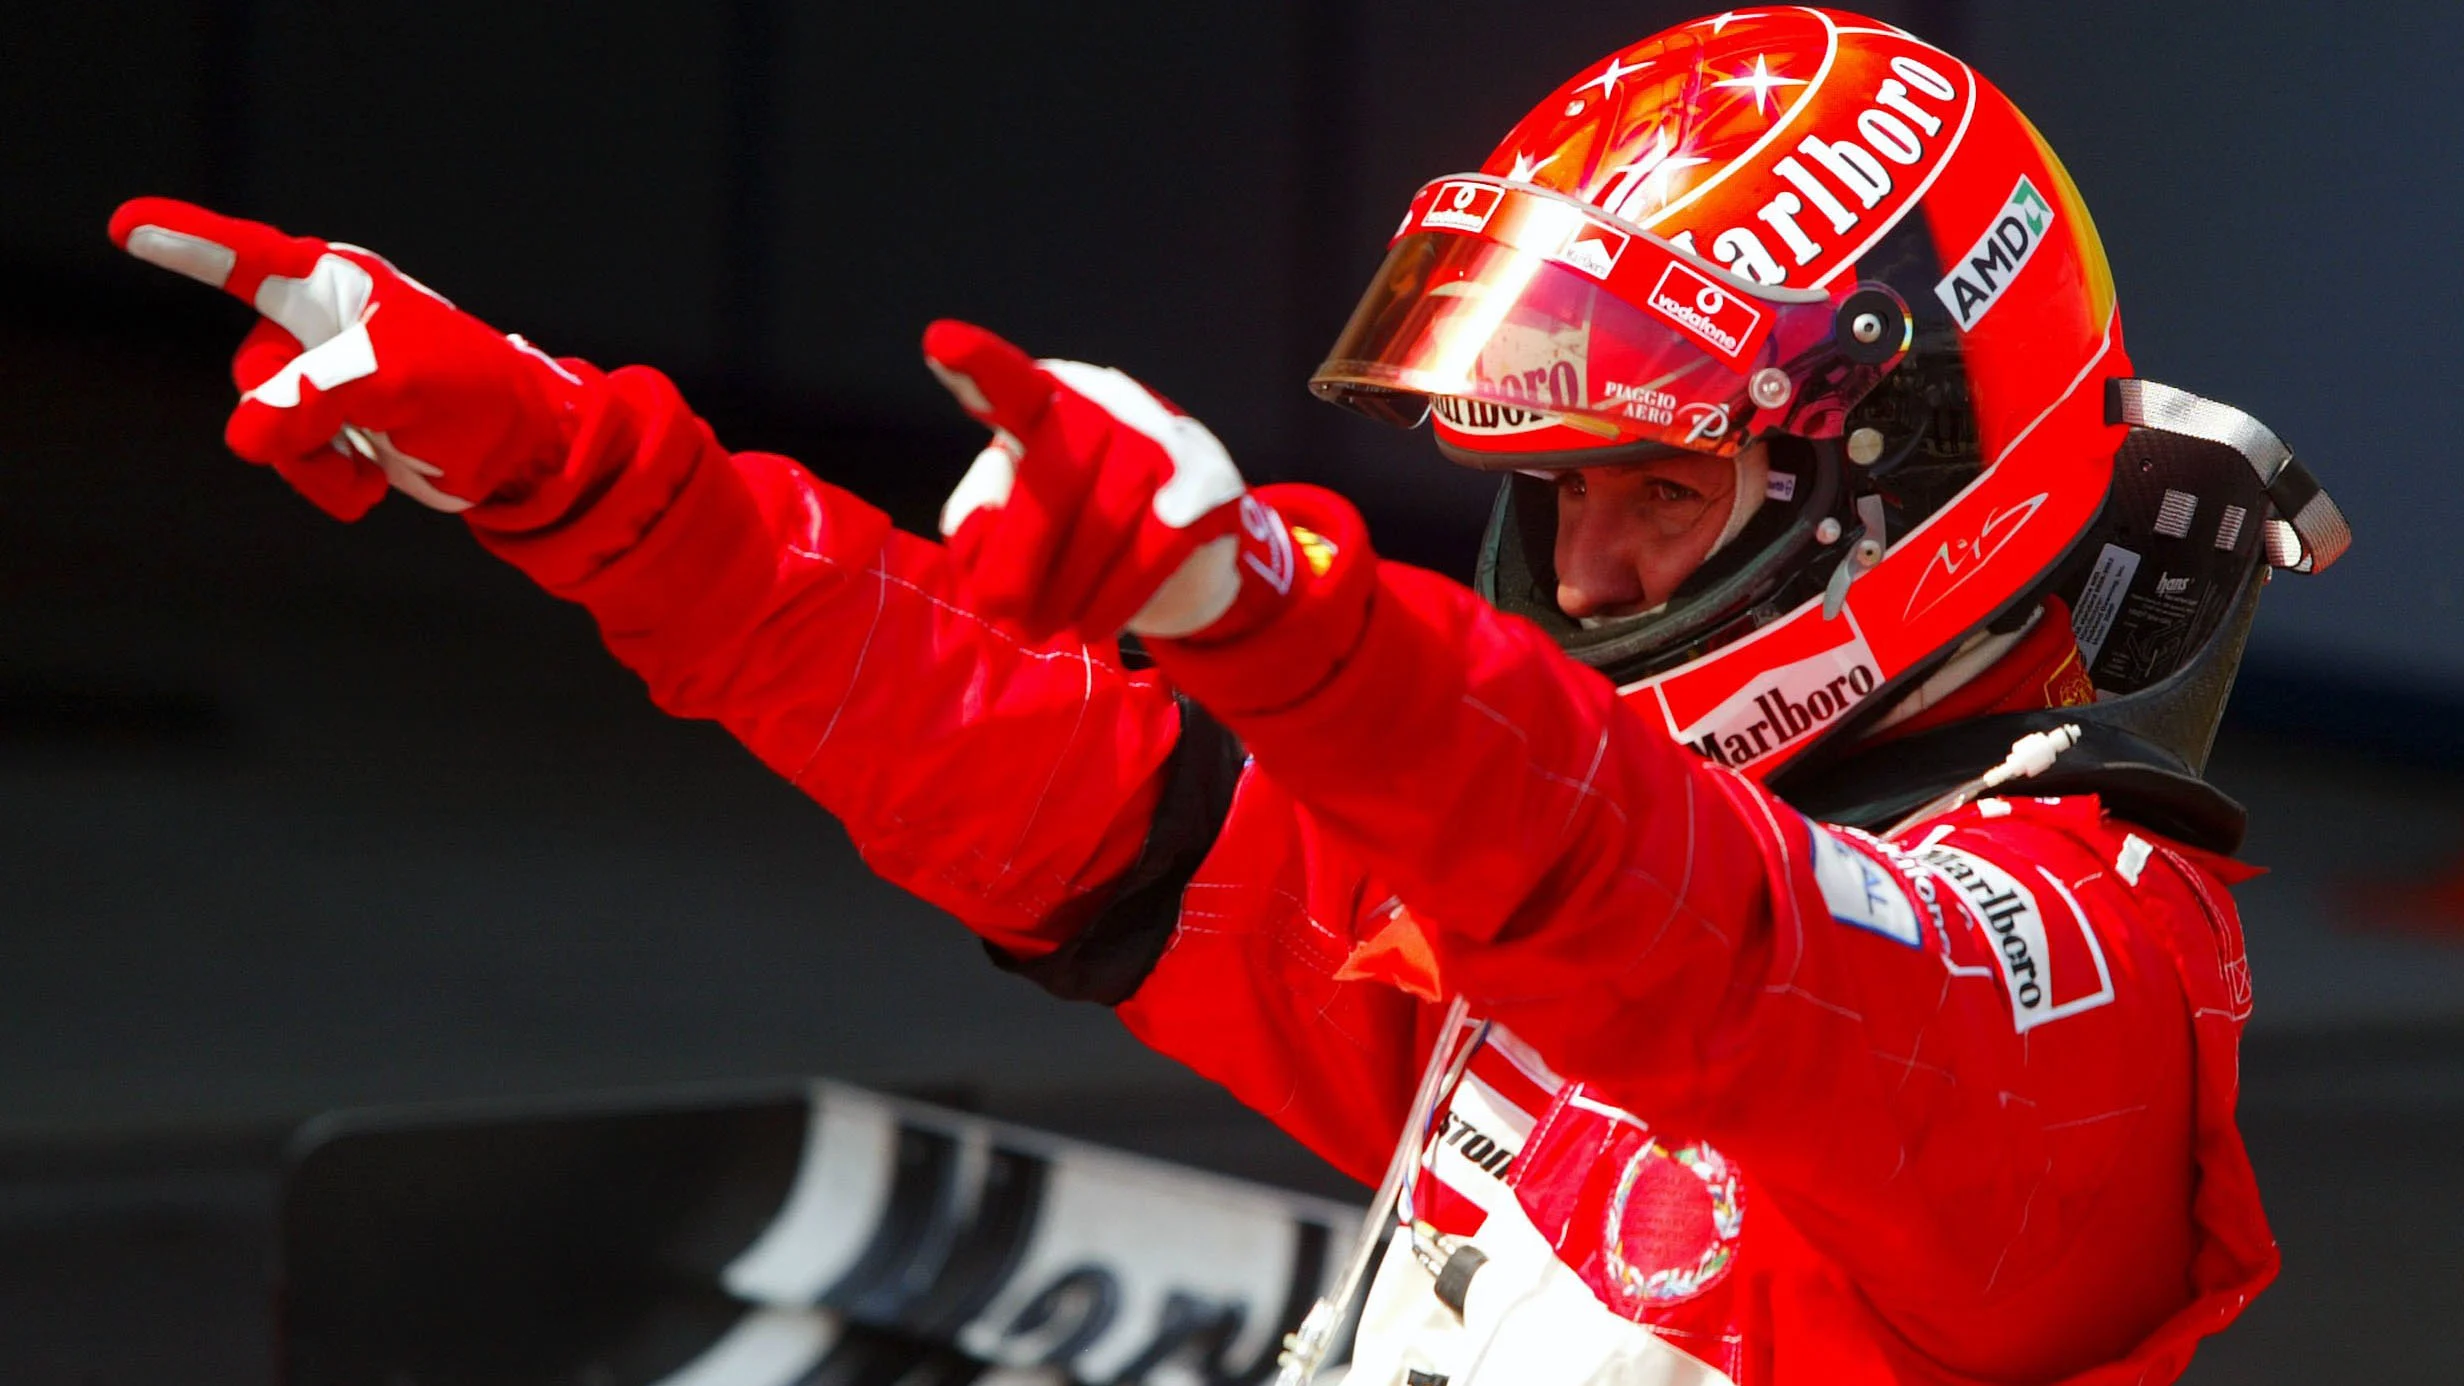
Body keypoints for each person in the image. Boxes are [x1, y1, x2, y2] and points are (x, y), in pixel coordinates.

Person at [110, 9, 2351, 1384]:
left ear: (1922, 484)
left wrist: (1280, 618)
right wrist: (574, 479)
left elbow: (1702, 937)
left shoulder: (2070, 992)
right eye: (1548, 491)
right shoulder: (1539, 912)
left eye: (1656, 487)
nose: (1582, 571)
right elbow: (1053, 783)